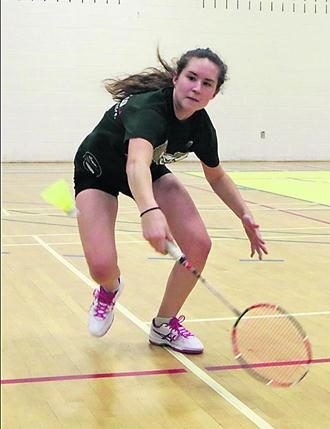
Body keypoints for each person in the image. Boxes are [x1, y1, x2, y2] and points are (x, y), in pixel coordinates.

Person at [75, 48, 268, 354]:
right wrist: (149, 211)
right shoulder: (149, 109)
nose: (197, 88)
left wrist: (244, 214)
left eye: (207, 84)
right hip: (98, 170)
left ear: (214, 94)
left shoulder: (201, 127)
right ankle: (109, 289)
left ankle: (164, 325)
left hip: (148, 169)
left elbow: (216, 176)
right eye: (191, 78)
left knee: (198, 243)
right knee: (101, 267)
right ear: (176, 78)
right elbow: (135, 163)